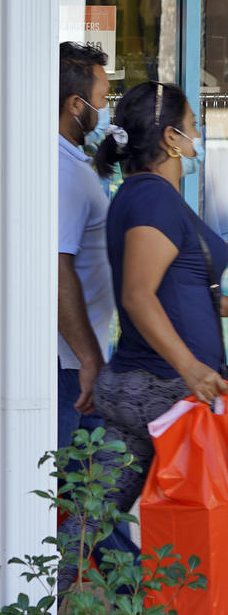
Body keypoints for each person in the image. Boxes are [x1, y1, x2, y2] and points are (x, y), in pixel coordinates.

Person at [57, 81, 228, 592]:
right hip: (169, 393)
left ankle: (44, 597)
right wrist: (193, 368)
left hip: (139, 384)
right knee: (96, 514)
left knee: (90, 517)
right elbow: (138, 295)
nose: (199, 134)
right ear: (172, 139)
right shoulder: (154, 199)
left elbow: (178, 290)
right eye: (193, 124)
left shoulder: (141, 194)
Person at [56, 42, 136, 566]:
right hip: (66, 366)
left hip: (75, 364)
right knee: (85, 494)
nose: (105, 108)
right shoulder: (59, 171)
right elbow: (55, 268)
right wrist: (87, 357)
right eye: (103, 97)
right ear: (74, 104)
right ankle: (133, 588)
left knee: (89, 496)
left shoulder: (72, 162)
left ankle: (117, 584)